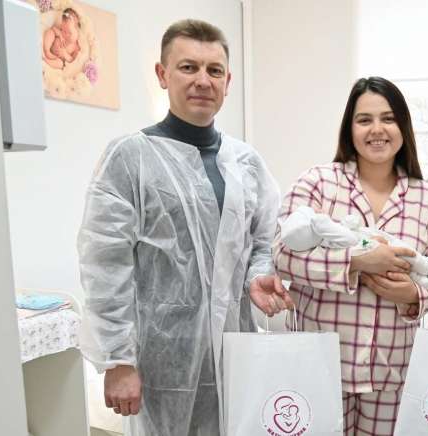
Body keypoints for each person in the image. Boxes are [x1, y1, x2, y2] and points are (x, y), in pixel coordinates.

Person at [77, 19, 292, 436]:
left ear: (227, 82)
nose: (202, 81)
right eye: (188, 67)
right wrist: (118, 361)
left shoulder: (246, 163)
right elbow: (105, 266)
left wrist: (258, 275)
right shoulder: (130, 158)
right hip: (161, 360)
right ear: (163, 74)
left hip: (235, 349)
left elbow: (264, 239)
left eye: (214, 70)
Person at [273, 77, 428, 436]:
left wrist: (412, 296)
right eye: (364, 119)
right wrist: (356, 262)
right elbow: (282, 253)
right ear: (349, 128)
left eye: (388, 118)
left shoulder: (426, 198)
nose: (377, 129)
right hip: (320, 366)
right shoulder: (318, 183)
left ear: (403, 127)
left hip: (391, 371)